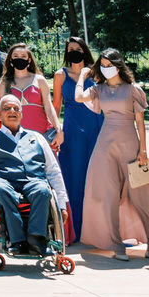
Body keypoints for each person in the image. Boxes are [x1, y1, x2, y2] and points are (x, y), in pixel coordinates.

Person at [75, 51, 149, 262]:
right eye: (103, 65)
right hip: (105, 146)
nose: (106, 68)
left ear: (119, 65)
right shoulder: (98, 89)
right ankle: (116, 244)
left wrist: (143, 150)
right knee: (108, 195)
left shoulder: (132, 90)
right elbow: (78, 97)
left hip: (129, 144)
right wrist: (82, 77)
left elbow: (140, 122)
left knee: (140, 195)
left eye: (110, 64)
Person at [0, 94, 72, 254]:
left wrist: (62, 204)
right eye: (7, 108)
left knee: (43, 191)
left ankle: (36, 239)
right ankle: (16, 239)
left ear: (21, 114)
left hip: (34, 181)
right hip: (3, 182)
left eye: (16, 108)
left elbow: (53, 171)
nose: (12, 111)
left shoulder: (37, 138)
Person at [52, 37, 100, 242]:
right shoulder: (60, 75)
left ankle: (98, 229)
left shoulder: (96, 72)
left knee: (97, 176)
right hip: (72, 129)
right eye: (70, 49)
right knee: (74, 176)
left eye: (77, 49)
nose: (74, 52)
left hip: (96, 126)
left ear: (84, 51)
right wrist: (55, 130)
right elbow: (55, 106)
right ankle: (73, 229)